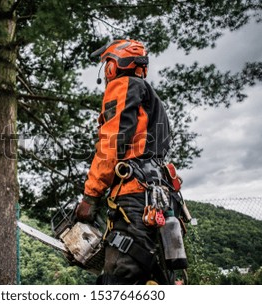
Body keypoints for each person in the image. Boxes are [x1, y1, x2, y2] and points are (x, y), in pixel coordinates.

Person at [76, 39, 181, 285]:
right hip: (160, 198)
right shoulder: (152, 99)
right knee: (153, 277)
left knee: (120, 279)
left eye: (107, 65)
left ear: (114, 65)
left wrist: (90, 196)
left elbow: (111, 143)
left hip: (134, 199)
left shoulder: (123, 86)